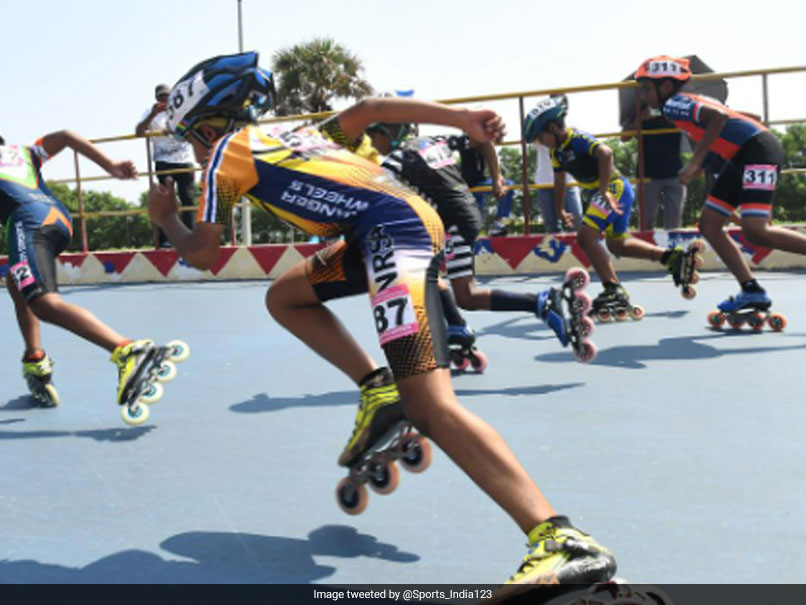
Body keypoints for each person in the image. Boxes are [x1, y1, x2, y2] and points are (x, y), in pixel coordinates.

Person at [148, 51, 616, 585]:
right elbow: (370, 108)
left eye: (191, 137)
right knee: (286, 297)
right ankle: (376, 388)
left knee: (433, 405)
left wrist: (165, 218)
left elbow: (205, 255)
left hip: (392, 235)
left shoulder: (224, 156)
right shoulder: (300, 134)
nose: (194, 149)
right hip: (389, 229)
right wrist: (462, 119)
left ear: (206, 124)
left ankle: (558, 538)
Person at [363, 123, 589, 364]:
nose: (372, 144)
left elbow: (373, 198)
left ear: (386, 133)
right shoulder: (435, 140)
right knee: (442, 281)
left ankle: (529, 305)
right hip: (464, 213)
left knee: (453, 289)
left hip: (451, 222)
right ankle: (466, 322)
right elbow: (482, 140)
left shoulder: (395, 162)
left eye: (372, 136)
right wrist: (497, 177)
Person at [0, 129, 172, 410]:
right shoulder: (24, 153)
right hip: (58, 218)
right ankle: (35, 359)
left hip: (27, 221)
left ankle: (127, 350)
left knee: (43, 303)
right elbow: (66, 135)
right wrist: (112, 167)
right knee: (17, 279)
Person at [636, 55, 806, 318]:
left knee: (757, 230)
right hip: (742, 154)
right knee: (710, 225)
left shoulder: (674, 105)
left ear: (666, 87)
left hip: (756, 150)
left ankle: (752, 288)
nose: (644, 95)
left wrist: (694, 163)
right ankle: (751, 289)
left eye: (646, 88)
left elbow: (717, 118)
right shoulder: (691, 101)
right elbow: (743, 118)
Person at [522, 96, 694, 318]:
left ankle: (613, 289)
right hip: (607, 192)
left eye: (541, 137)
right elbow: (558, 182)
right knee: (617, 244)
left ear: (554, 128)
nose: (541, 143)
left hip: (614, 188)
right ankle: (672, 258)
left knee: (585, 237)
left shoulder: (577, 138)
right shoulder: (556, 152)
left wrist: (603, 190)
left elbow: (606, 153)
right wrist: (560, 210)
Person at [135, 83, 197, 247]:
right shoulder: (150, 113)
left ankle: (190, 236)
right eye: (160, 98)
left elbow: (192, 127)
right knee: (166, 201)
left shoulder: (182, 108)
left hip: (184, 160)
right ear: (156, 99)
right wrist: (153, 115)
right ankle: (165, 240)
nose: (164, 101)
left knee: (188, 199)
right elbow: (138, 131)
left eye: (166, 97)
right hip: (163, 161)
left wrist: (175, 128)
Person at [622, 107, 687, 229]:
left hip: (674, 174)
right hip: (647, 175)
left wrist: (674, 117)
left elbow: (693, 127)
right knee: (646, 223)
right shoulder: (639, 108)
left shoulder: (675, 107)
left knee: (673, 225)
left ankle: (672, 248)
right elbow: (624, 137)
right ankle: (645, 247)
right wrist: (639, 119)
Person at [534, 95, 583, 233]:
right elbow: (533, 140)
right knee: (551, 228)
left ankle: (582, 253)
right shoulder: (538, 131)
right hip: (545, 182)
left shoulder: (572, 129)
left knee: (577, 223)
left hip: (567, 181)